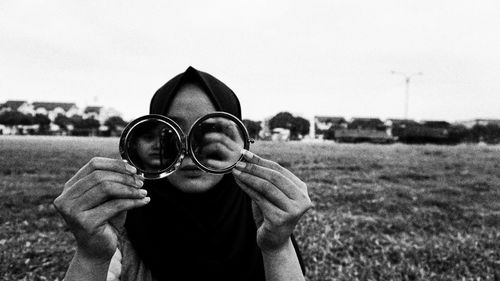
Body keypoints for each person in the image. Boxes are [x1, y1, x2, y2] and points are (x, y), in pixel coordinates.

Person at [54, 66, 313, 281]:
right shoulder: (121, 224)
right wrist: (91, 255)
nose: (189, 149)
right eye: (171, 133)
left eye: (209, 131)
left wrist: (277, 248)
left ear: (241, 143)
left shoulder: (264, 222)